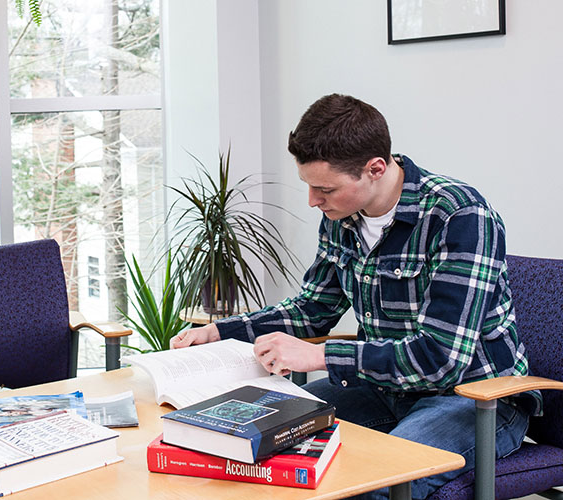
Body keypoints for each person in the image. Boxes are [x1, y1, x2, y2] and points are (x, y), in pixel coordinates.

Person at [171, 93, 539, 499]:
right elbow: (312, 310)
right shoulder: (341, 218)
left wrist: (320, 357)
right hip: (381, 389)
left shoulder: (460, 215)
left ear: (375, 169)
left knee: (368, 485)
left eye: (324, 189)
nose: (313, 201)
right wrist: (221, 332)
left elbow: (441, 359)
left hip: (475, 399)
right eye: (309, 187)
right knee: (252, 443)